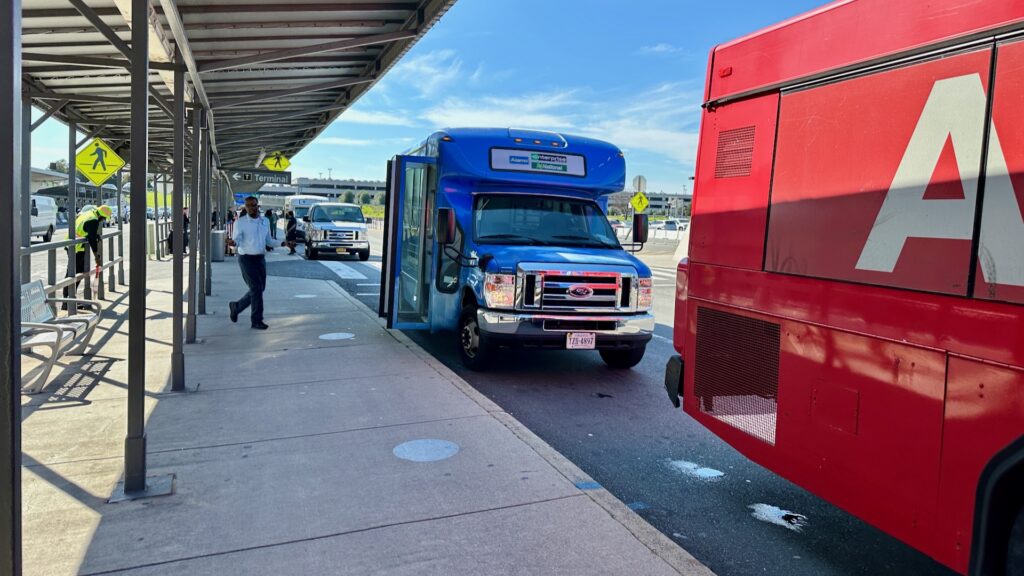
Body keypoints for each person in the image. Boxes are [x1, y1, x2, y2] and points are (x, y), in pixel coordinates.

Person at [227, 196, 274, 330]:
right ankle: (256, 320)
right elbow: (237, 239)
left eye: (254, 205)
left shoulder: (265, 221)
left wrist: (284, 243)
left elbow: (269, 241)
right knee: (256, 289)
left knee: (259, 289)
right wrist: (233, 243)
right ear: (245, 207)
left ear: (258, 206)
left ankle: (236, 306)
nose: (251, 208)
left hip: (260, 259)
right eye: (248, 206)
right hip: (246, 259)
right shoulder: (240, 223)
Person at [64, 204, 111, 301]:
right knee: (74, 274)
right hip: (76, 248)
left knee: (74, 273)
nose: (103, 220)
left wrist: (94, 234)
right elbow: (92, 240)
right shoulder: (93, 220)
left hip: (72, 244)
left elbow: (88, 232)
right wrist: (96, 256)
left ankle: (69, 300)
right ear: (101, 216)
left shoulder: (90, 213)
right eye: (103, 218)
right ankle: (67, 301)